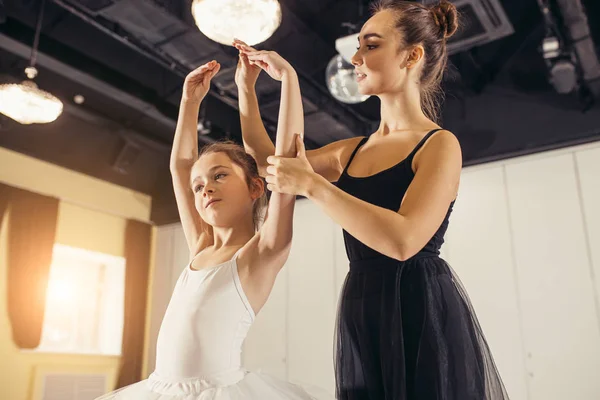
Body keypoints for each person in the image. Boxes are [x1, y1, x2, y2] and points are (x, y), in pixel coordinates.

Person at [236, 1, 510, 399]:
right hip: (363, 306)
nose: (355, 56)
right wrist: (246, 89)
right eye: (359, 46)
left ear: (412, 56)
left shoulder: (438, 145)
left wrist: (313, 185)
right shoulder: (352, 150)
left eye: (371, 45)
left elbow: (403, 241)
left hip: (420, 311)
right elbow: (268, 166)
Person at [96, 50, 331, 399]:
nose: (206, 187)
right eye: (199, 185)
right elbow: (181, 167)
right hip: (160, 389)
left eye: (220, 176)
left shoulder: (261, 253)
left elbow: (288, 160)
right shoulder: (201, 246)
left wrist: (289, 82)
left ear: (255, 187)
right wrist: (189, 103)